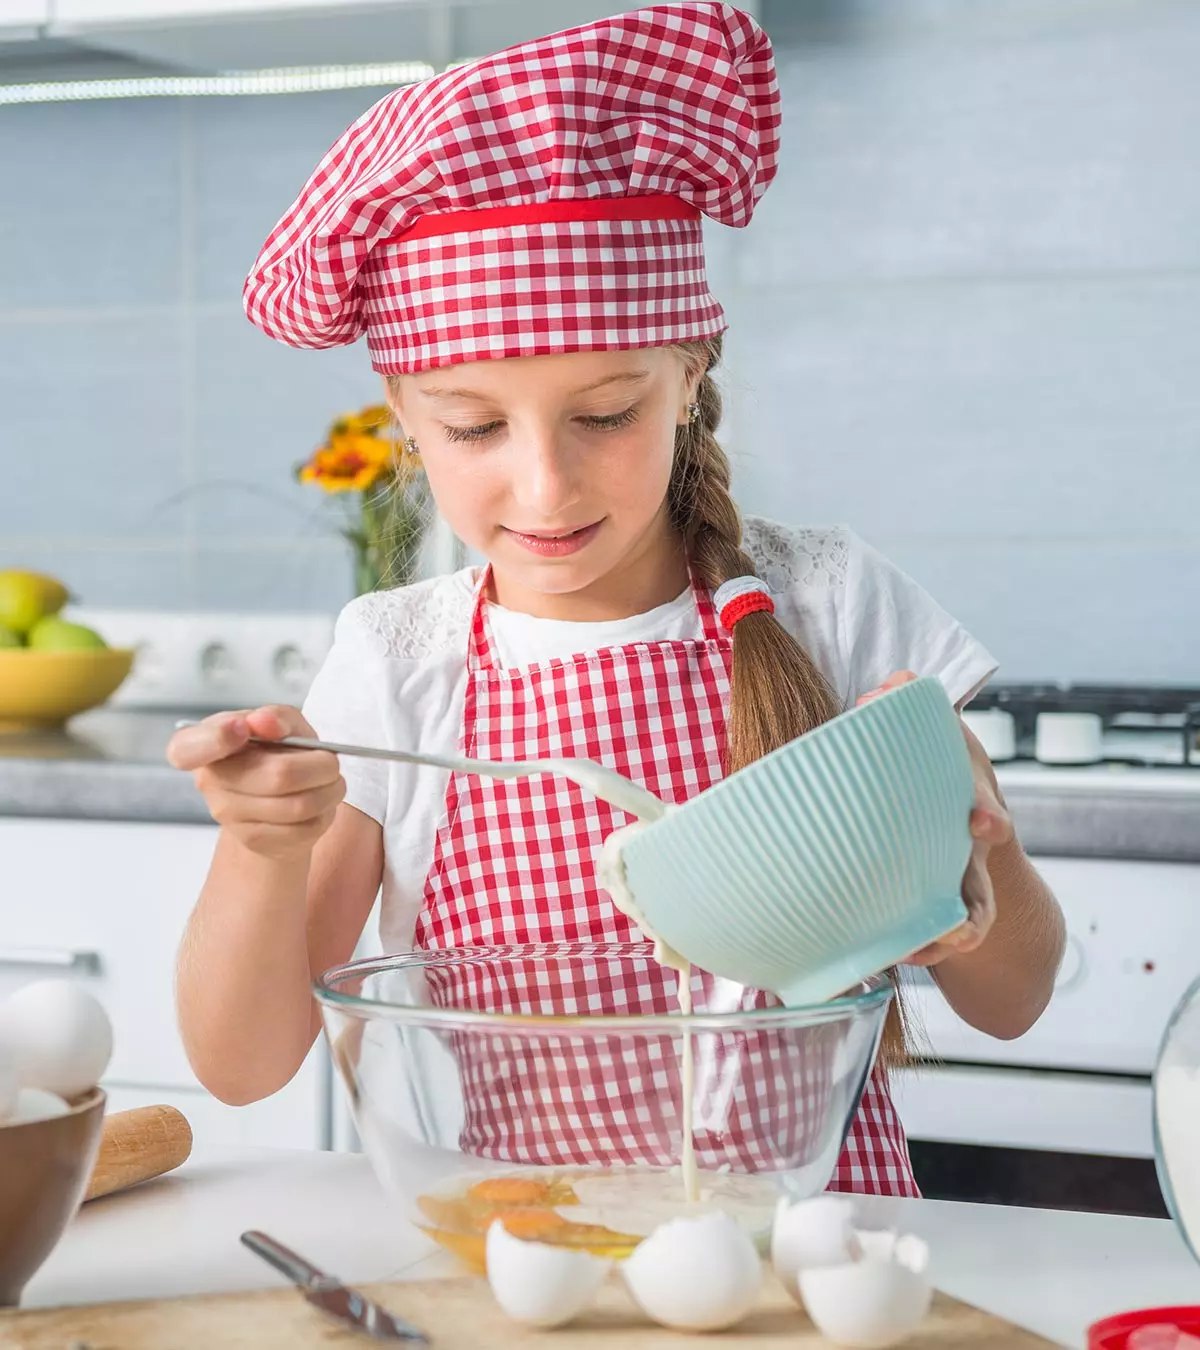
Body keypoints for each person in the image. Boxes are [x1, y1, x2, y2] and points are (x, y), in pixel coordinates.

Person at [167, 2, 1065, 1197]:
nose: (545, 484)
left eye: (606, 415)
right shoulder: (398, 665)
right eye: (475, 425)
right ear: (403, 416)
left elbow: (1016, 1000)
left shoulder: (833, 606)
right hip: (522, 1268)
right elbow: (240, 1066)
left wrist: (965, 869)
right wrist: (258, 848)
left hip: (809, 1263)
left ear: (689, 377)